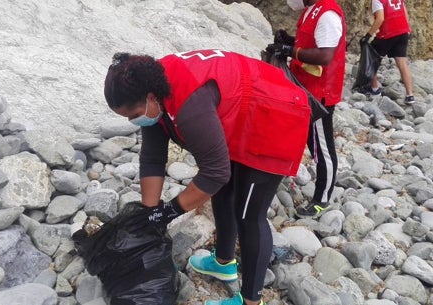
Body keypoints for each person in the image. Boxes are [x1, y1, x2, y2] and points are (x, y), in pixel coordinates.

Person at [103, 49, 310, 305]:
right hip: (241, 113)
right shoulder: (154, 91)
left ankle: (251, 302)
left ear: (149, 98)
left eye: (134, 115)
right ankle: (223, 263)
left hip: (275, 115)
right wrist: (149, 213)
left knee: (249, 214)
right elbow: (152, 159)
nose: (135, 121)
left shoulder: (189, 102)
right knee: (223, 192)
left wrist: (168, 212)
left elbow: (215, 172)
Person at [265, 0, 347, 219]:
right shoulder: (312, 10)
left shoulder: (328, 14)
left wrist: (290, 50)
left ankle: (322, 198)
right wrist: (288, 40)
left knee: (321, 146)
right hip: (304, 87)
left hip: (320, 93)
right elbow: (308, 43)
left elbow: (324, 55)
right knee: (301, 137)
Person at [360, 0, 415, 104]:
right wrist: (407, 29)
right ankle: (410, 95)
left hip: (388, 34)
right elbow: (405, 14)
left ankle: (374, 88)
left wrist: (368, 35)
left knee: (370, 57)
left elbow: (380, 19)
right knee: (402, 63)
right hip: (403, 32)